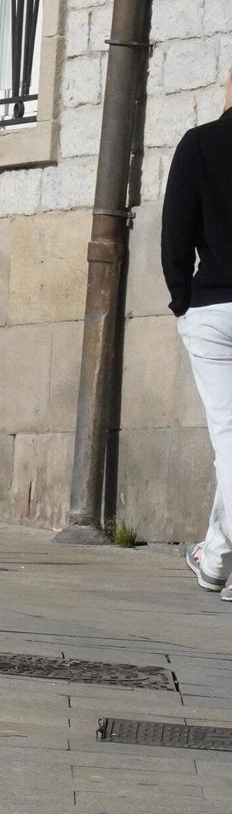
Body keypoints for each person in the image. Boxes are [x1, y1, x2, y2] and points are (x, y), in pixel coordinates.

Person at [167, 67, 232, 601]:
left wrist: (181, 301)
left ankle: (216, 559)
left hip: (213, 311)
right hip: (210, 310)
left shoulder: (200, 144)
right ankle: (215, 557)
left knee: (230, 440)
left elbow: (175, 233)